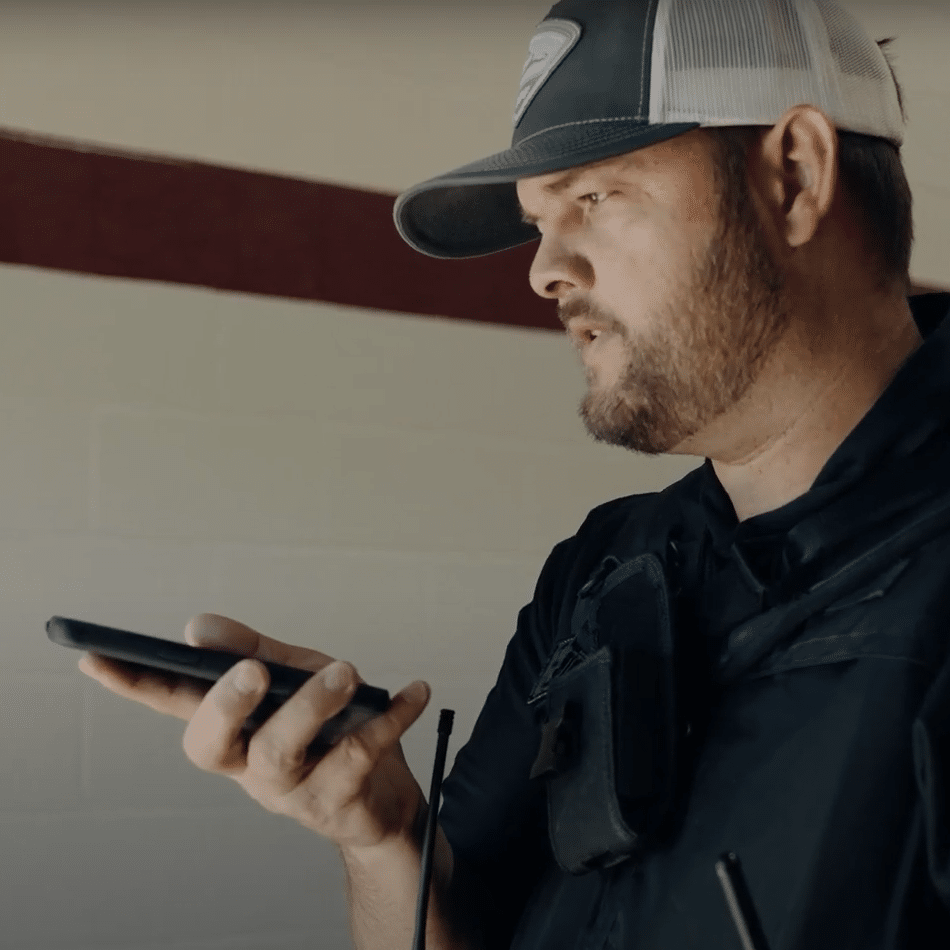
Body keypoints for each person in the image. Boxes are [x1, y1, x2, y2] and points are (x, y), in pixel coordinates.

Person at [79, 1, 950, 948]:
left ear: (795, 175)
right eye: (537, 221)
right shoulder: (602, 572)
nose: (544, 270)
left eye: (593, 199)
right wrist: (384, 836)